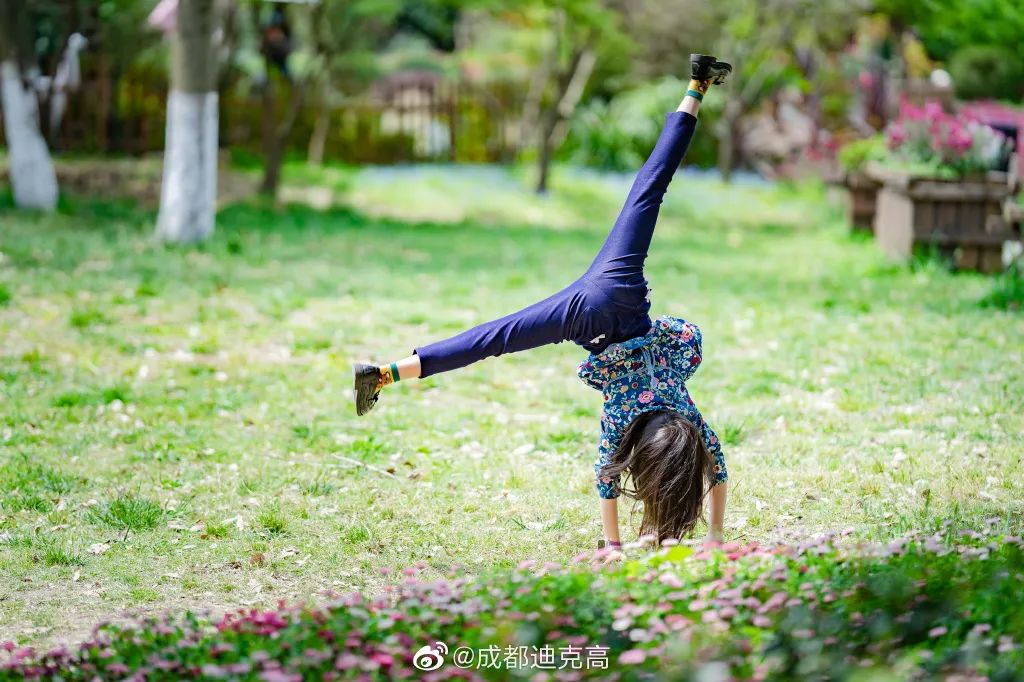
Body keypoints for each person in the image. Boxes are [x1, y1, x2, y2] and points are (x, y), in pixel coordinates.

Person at [354, 55, 732, 549]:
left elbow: (714, 464)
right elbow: (610, 480)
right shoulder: (625, 423)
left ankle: (698, 83)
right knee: (494, 339)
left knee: (649, 189)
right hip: (587, 318)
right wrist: (686, 540)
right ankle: (380, 373)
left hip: (617, 292)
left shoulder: (684, 408)